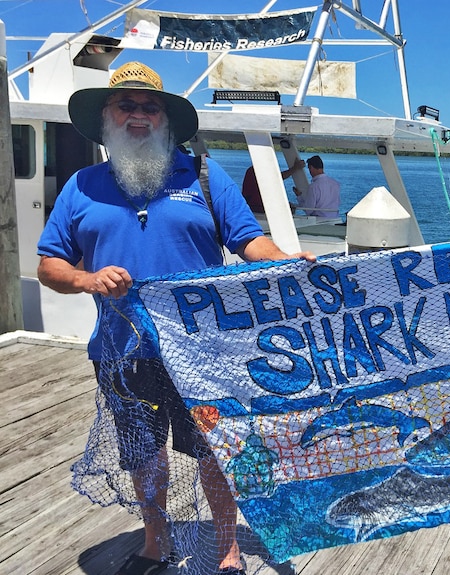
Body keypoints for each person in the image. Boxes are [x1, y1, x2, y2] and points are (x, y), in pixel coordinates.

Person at [36, 61, 315, 575]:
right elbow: (50, 265)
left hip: (202, 351)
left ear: (165, 120)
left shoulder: (204, 176)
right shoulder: (81, 186)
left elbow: (248, 239)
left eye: (150, 106)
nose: (139, 115)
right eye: (127, 105)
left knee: (215, 451)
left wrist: (284, 262)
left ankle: (228, 550)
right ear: (106, 117)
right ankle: (155, 541)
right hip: (123, 350)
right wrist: (87, 279)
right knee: (144, 454)